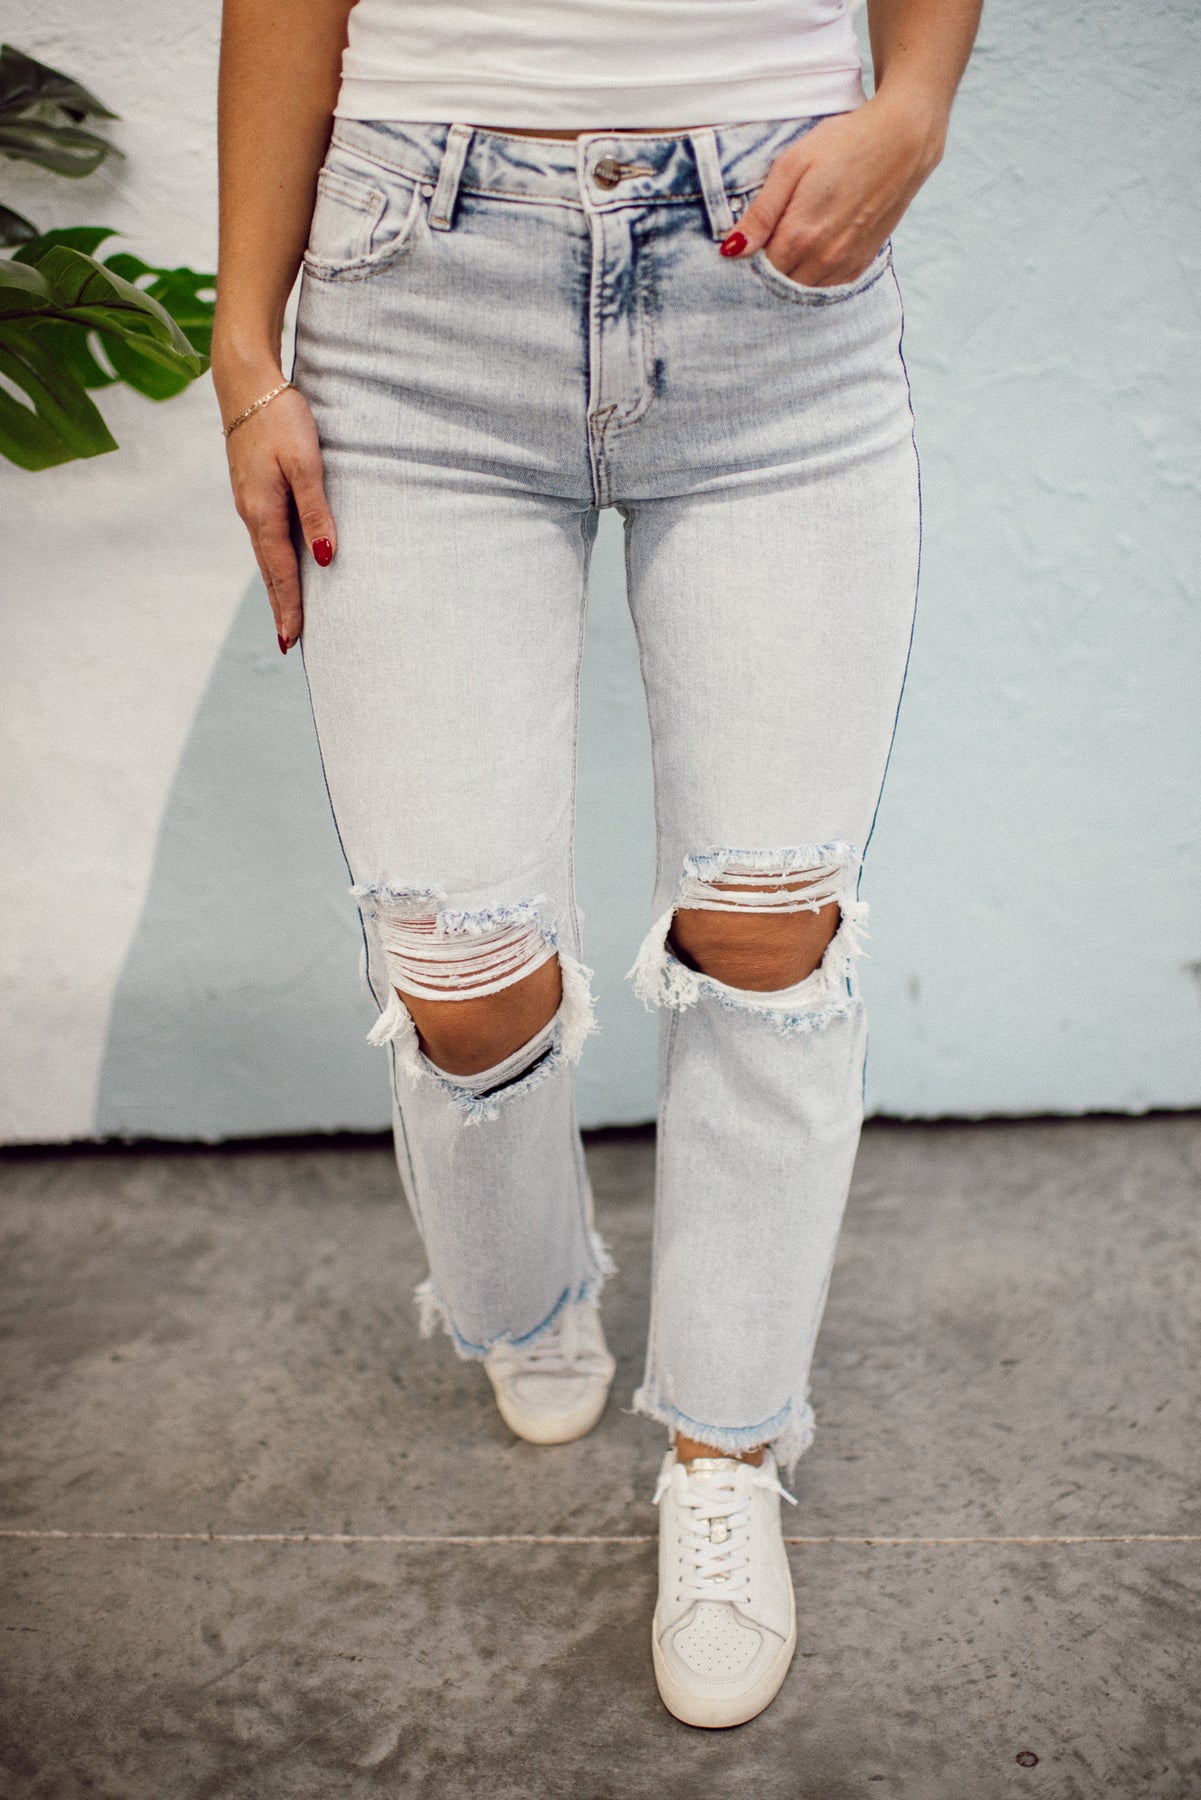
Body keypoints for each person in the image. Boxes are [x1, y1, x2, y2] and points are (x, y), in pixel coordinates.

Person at [214, 0, 980, 1729]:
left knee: (768, 932)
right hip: (417, 288)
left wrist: (916, 101)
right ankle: (534, 1294)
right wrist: (246, 354)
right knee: (459, 971)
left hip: (769, 271)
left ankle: (725, 1452)